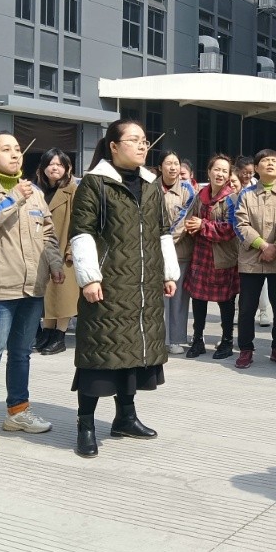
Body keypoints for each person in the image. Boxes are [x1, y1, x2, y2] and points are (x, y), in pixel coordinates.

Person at [69, 120, 179, 458]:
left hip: (143, 285)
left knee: (133, 355)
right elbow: (82, 232)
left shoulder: (150, 183)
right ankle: (86, 425)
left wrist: (168, 272)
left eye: (144, 140)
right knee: (98, 355)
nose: (142, 145)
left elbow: (162, 231)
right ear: (114, 146)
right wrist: (89, 277)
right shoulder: (94, 183)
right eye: (134, 140)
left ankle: (125, 418)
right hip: (108, 283)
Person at [0, 131, 65, 451]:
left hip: (32, 286)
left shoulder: (34, 192)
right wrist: (12, 198)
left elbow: (47, 233)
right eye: (6, 149)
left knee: (21, 353)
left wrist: (55, 263)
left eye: (17, 149)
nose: (15, 154)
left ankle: (17, 412)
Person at [229, 149, 276, 369]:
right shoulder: (246, 194)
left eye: (274, 161)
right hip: (251, 259)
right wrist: (262, 245)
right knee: (247, 308)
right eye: (265, 161)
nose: (270, 164)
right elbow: (240, 224)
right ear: (256, 168)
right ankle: (246, 349)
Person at [183, 155, 239, 359]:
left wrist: (203, 225)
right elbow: (189, 217)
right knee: (198, 299)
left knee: (226, 301)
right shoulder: (200, 195)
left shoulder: (232, 198)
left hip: (222, 257)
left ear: (229, 175)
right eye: (217, 169)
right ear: (208, 172)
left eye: (224, 171)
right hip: (200, 254)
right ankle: (198, 340)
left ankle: (227, 341)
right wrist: (191, 225)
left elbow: (231, 229)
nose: (220, 174)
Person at [34, 148, 79, 356]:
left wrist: (71, 249)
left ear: (67, 168)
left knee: (63, 295)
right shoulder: (37, 191)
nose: (55, 168)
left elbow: (79, 222)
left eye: (59, 164)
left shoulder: (73, 190)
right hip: (42, 250)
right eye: (51, 164)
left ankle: (60, 336)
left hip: (64, 248)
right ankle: (48, 333)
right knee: (48, 294)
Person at [157, 151, 197, 355]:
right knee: (157, 299)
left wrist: (164, 242)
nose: (173, 167)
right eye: (168, 163)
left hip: (179, 251)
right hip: (153, 253)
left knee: (178, 298)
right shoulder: (150, 188)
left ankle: (175, 339)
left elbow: (185, 222)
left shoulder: (187, 190)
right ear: (160, 167)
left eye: (176, 163)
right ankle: (158, 339)